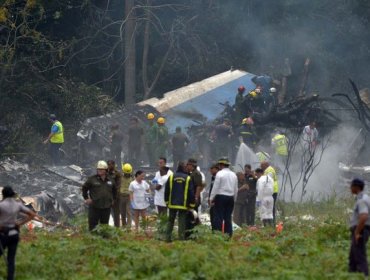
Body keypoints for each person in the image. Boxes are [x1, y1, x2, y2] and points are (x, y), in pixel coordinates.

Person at [0, 186, 35, 280]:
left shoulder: (1, 205)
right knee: (11, 259)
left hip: (3, 234)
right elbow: (32, 214)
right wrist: (19, 223)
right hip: (14, 233)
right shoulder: (17, 205)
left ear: (3, 195)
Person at [164, 162, 195, 242]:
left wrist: (166, 201)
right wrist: (192, 204)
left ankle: (167, 238)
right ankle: (181, 239)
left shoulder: (171, 177)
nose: (186, 168)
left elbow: (166, 190)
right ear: (183, 168)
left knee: (170, 221)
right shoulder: (188, 178)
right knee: (182, 222)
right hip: (183, 205)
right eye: (185, 167)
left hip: (172, 204)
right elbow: (191, 192)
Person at [82, 160, 116, 231]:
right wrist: (86, 198)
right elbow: (84, 188)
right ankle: (93, 240)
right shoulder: (92, 179)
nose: (99, 171)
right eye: (98, 169)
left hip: (106, 207)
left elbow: (114, 190)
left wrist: (113, 200)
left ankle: (103, 240)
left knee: (104, 225)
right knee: (93, 225)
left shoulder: (110, 179)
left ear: (105, 170)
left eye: (101, 169)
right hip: (95, 206)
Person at [209, 158, 238, 237]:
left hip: (221, 197)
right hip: (230, 198)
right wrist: (234, 199)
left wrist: (211, 198)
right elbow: (236, 189)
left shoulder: (220, 174)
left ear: (221, 165)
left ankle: (218, 235)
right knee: (228, 218)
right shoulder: (233, 174)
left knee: (219, 217)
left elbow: (215, 187)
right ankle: (228, 236)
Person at [348, 178, 370, 277]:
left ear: (356, 187)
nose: (350, 188)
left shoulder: (361, 200)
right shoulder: (364, 198)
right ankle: (351, 275)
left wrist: (357, 232)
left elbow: (364, 216)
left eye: (351, 186)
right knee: (353, 257)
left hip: (361, 230)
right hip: (361, 229)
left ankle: (364, 276)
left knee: (360, 256)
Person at [185, 159, 203, 237]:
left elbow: (198, 186)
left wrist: (196, 197)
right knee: (190, 215)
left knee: (193, 215)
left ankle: (194, 232)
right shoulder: (191, 173)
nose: (187, 166)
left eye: (188, 165)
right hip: (191, 197)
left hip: (194, 198)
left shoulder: (196, 174)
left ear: (192, 165)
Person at [107, 160, 122, 228]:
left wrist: (114, 197)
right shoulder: (105, 173)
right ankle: (105, 228)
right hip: (106, 196)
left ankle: (117, 228)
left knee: (116, 214)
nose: (109, 166)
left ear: (113, 165)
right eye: (108, 164)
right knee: (105, 213)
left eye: (110, 164)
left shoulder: (117, 174)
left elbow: (118, 186)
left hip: (115, 197)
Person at [119, 163, 134, 228]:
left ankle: (129, 226)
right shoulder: (120, 178)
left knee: (128, 211)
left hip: (129, 196)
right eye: (125, 173)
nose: (127, 174)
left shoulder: (132, 179)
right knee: (122, 212)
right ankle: (124, 225)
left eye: (128, 173)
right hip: (121, 196)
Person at [208, 163, 219, 230]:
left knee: (216, 217)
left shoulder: (219, 177)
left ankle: (216, 230)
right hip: (212, 200)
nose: (210, 170)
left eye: (212, 169)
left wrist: (214, 199)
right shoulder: (213, 177)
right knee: (212, 215)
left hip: (216, 200)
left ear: (216, 169)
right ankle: (213, 230)